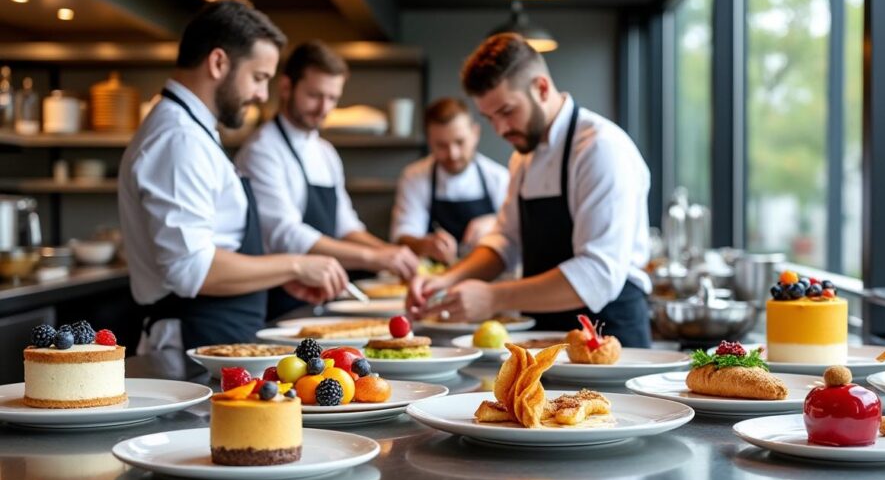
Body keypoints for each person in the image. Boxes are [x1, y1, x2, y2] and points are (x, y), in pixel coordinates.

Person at [120, 1, 348, 352]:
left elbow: (216, 248)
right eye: (258, 78)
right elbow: (191, 269)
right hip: (191, 345)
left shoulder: (194, 131)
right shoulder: (178, 139)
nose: (262, 95)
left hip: (216, 339)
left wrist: (285, 275)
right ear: (218, 63)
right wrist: (296, 265)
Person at [407, 33, 653, 346]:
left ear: (541, 88)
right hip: (547, 336)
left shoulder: (600, 148)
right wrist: (446, 280)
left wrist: (493, 297)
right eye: (489, 117)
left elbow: (597, 274)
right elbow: (505, 241)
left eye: (507, 111)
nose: (500, 129)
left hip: (609, 339)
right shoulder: (523, 157)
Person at [235, 41, 419, 318]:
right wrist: (374, 258)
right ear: (286, 87)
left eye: (332, 98)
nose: (324, 108)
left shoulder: (325, 152)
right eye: (314, 95)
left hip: (323, 293)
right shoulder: (262, 150)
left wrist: (390, 252)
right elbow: (287, 234)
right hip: (279, 300)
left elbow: (345, 224)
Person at [390, 97, 509, 265]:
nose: (453, 154)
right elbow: (403, 234)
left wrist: (495, 224)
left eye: (460, 142)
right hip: (433, 276)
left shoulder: (499, 177)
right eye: (441, 145)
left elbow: (517, 235)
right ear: (429, 141)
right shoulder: (414, 177)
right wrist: (425, 244)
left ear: (475, 134)